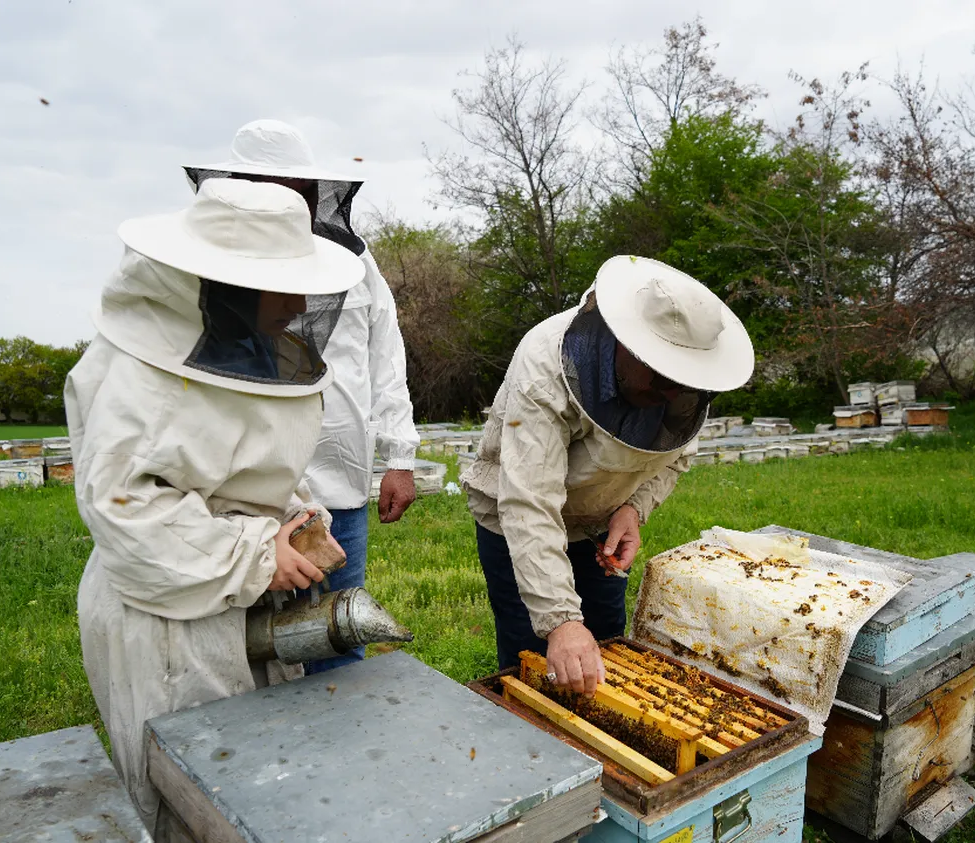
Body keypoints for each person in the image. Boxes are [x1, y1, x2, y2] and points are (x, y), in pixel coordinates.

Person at [65, 178, 359, 830]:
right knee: (194, 799)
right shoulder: (139, 367)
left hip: (234, 602)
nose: (302, 299)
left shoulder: (248, 346)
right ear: (234, 280)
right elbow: (123, 511)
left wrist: (295, 519)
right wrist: (257, 553)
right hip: (169, 616)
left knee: (259, 785)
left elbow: (245, 463)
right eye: (286, 280)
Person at [184, 120, 421, 672]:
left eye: (297, 191)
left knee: (338, 633)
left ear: (314, 194)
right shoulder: (213, 264)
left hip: (339, 482)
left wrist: (400, 456)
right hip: (250, 491)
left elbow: (386, 353)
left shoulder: (355, 261)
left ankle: (338, 747)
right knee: (254, 646)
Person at [460, 255, 755, 694]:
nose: (671, 394)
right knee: (538, 664)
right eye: (660, 378)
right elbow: (529, 500)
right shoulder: (545, 368)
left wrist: (633, 509)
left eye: (683, 383)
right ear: (626, 344)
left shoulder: (685, 386)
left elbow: (675, 455)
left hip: (598, 530)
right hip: (518, 522)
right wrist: (560, 620)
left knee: (607, 647)